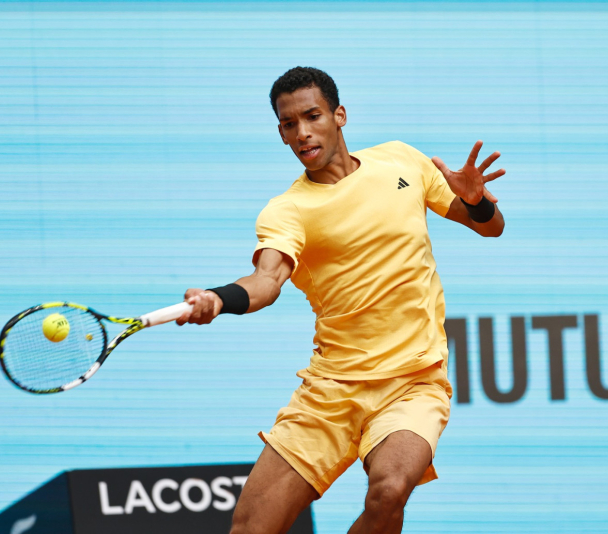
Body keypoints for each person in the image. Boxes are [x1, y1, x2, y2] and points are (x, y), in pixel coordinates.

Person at [176, 66, 506, 534]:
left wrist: (476, 201)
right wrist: (217, 298)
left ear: (340, 115)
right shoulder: (288, 210)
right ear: (281, 133)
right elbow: (266, 281)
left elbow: (490, 227)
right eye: (289, 124)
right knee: (250, 529)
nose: (302, 132)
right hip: (331, 391)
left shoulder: (401, 161)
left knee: (389, 490)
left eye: (312, 116)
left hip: (413, 382)